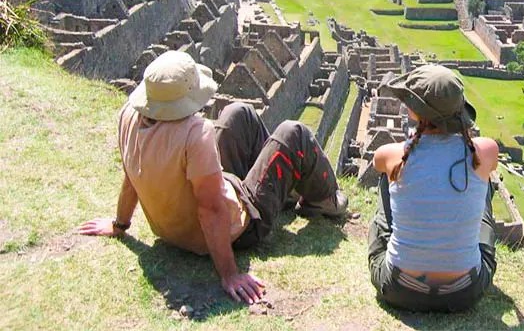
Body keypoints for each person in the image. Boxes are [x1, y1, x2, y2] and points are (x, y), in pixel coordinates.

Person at [78, 51, 348, 304]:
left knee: (238, 113)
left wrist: (120, 224)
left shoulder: (129, 117)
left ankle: (285, 193)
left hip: (175, 227)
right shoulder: (195, 133)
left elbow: (132, 176)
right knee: (294, 133)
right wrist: (229, 273)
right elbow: (211, 209)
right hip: (236, 230)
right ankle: (326, 201)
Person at [367, 64, 499, 312]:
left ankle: (401, 248)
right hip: (465, 292)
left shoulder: (393, 154)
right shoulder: (486, 150)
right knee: (482, 179)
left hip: (398, 289)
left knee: (388, 176)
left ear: (414, 111)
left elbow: (377, 163)